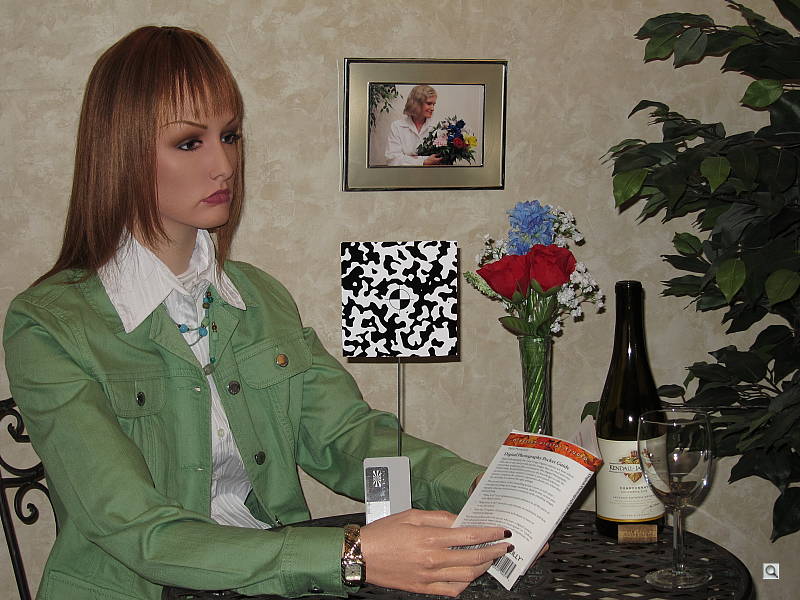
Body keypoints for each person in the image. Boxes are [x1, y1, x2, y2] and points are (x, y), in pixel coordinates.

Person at [2, 27, 514, 600]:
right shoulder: (49, 325)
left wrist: (482, 489)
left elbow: (345, 436)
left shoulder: (257, 296)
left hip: (272, 580)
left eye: (230, 135)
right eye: (189, 143)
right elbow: (136, 530)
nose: (224, 164)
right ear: (121, 151)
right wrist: (351, 555)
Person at [385, 84, 444, 166]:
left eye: (434, 104)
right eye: (429, 103)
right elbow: (392, 160)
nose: (432, 108)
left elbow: (440, 159)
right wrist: (424, 161)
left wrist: (408, 159)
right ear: (417, 104)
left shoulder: (438, 127)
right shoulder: (397, 126)